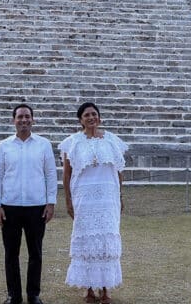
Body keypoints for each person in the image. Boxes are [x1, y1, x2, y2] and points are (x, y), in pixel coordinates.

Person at [58, 102, 128, 304]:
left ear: (99, 117)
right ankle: (88, 289)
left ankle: (106, 289)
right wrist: (68, 200)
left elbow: (119, 171)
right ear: (80, 120)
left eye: (94, 114)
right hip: (85, 200)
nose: (91, 118)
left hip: (108, 200)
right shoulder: (71, 142)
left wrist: (120, 196)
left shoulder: (112, 140)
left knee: (106, 242)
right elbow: (67, 174)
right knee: (87, 242)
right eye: (86, 115)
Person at [0, 104, 57, 304]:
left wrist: (51, 202)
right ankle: (14, 295)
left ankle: (33, 294)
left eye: (27, 116)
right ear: (14, 120)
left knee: (35, 253)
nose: (24, 120)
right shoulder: (4, 145)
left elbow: (51, 174)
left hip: (36, 206)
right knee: (11, 253)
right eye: (20, 117)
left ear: (33, 120)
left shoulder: (43, 144)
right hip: (9, 206)